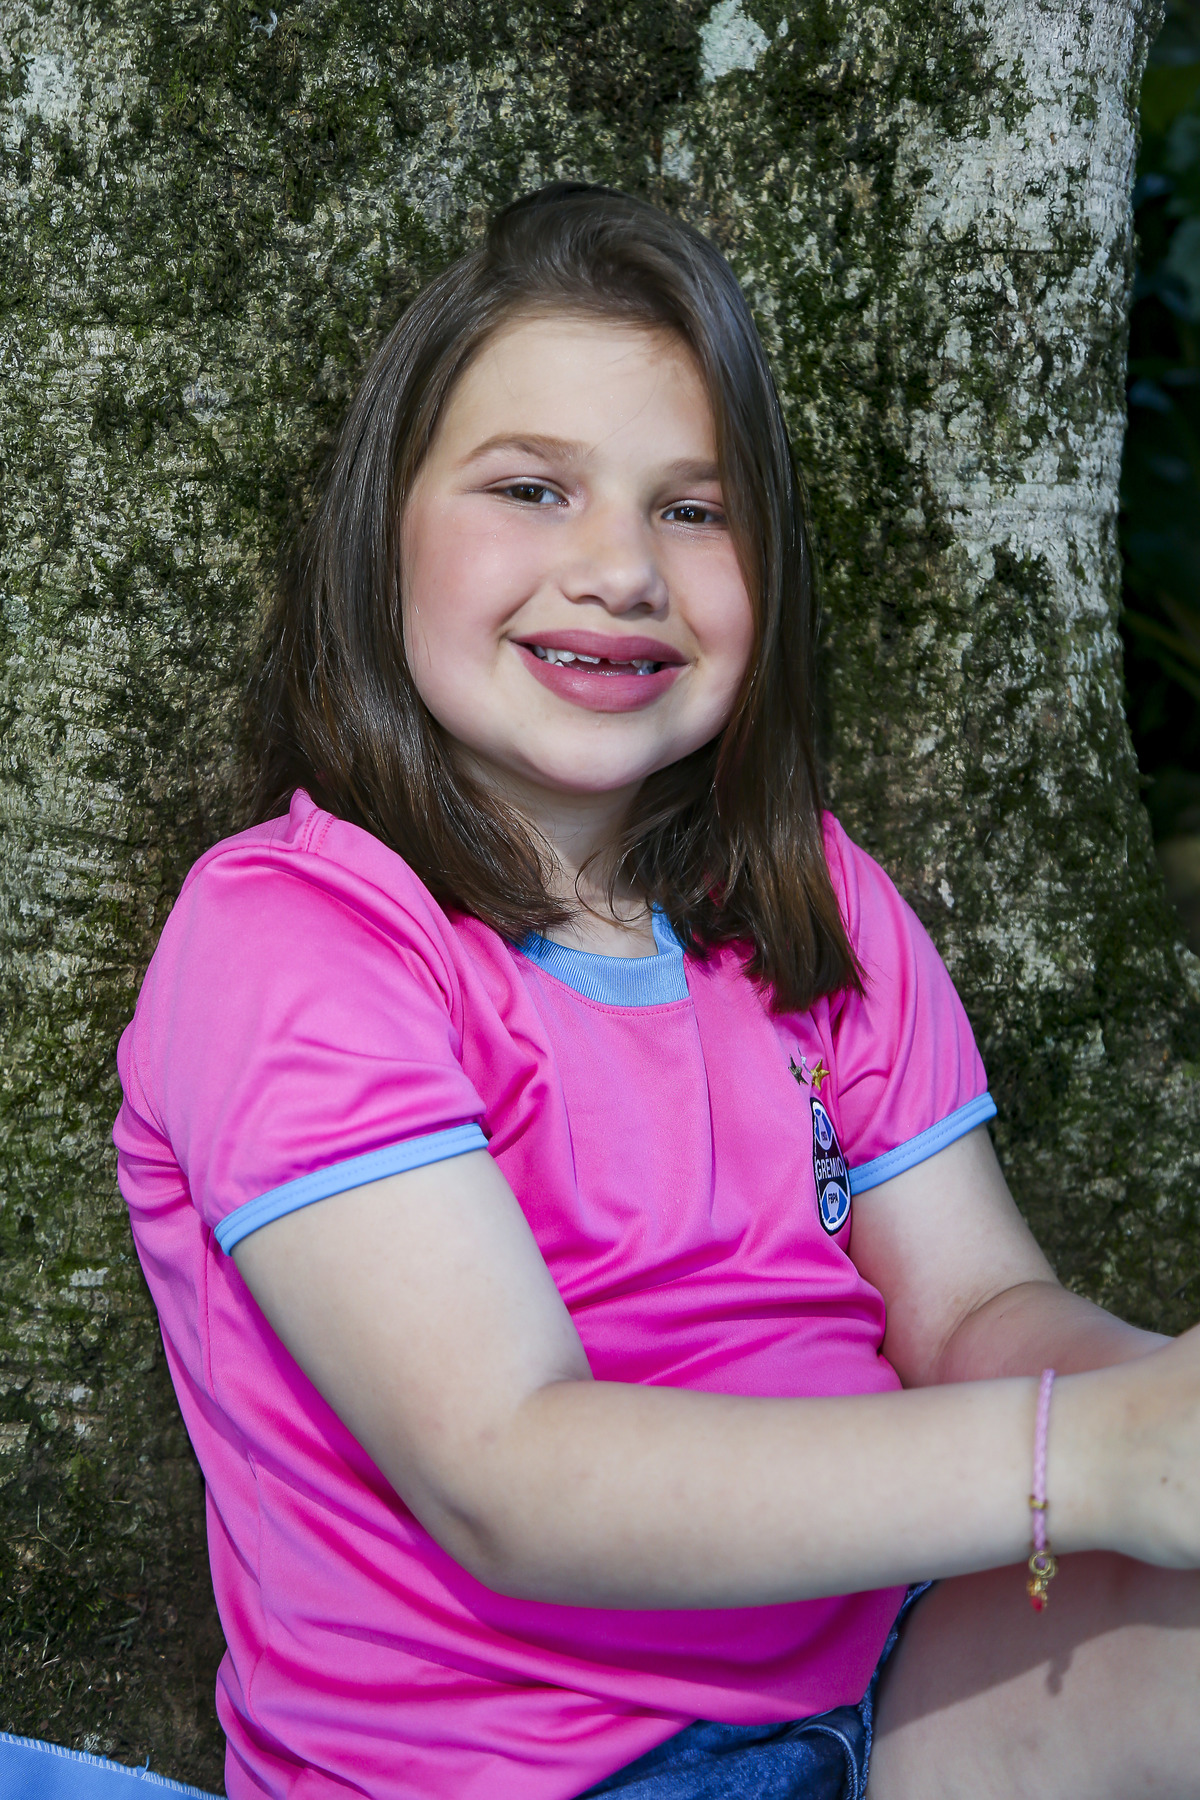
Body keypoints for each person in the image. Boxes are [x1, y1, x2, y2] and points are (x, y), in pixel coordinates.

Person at [108, 185, 1200, 1800]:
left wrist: (1160, 1410)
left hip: (892, 1677)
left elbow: (975, 1312)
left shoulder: (808, 896)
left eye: (694, 510)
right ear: (383, 529)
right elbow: (513, 1473)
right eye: (532, 489)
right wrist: (1087, 1461)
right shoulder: (296, 939)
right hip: (531, 1774)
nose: (620, 569)